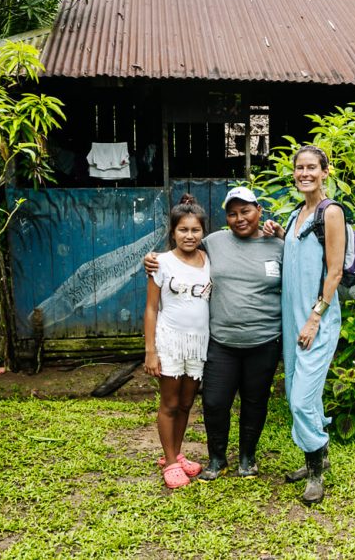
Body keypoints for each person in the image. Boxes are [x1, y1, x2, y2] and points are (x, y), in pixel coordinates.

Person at [144, 187, 283, 481]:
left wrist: (282, 234)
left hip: (264, 339)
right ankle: (216, 459)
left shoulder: (278, 245)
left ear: (259, 210)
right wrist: (152, 258)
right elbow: (181, 249)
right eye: (232, 213)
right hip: (220, 342)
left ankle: (247, 458)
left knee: (255, 401)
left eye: (245, 211)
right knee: (215, 402)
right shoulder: (214, 243)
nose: (239, 218)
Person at [263, 144, 344, 506]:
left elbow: (336, 269)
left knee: (300, 400)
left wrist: (315, 317)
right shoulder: (299, 212)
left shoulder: (331, 212)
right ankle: (316, 455)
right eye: (299, 168)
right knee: (300, 394)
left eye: (312, 167)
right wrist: (281, 234)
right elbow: (302, 252)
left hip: (316, 321)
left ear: (325, 172)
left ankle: (316, 469)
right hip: (293, 318)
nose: (305, 173)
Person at [144, 194, 211, 489]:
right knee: (169, 402)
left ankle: (177, 453)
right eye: (183, 229)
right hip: (170, 341)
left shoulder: (208, 259)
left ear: (203, 232)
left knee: (186, 403)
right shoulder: (160, 262)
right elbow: (150, 308)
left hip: (198, 343)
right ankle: (169, 461)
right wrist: (150, 351)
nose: (189, 235)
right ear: (172, 232)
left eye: (195, 230)